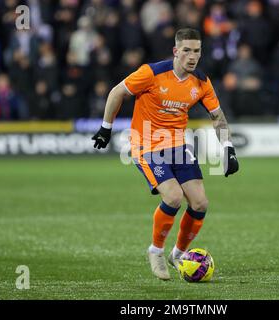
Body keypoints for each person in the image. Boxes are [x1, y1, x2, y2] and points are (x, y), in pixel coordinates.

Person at [91, 28, 239, 280]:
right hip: (146, 144)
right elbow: (117, 92)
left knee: (200, 203)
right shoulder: (151, 73)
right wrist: (106, 128)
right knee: (172, 197)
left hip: (177, 146)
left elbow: (217, 117)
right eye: (187, 51)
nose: (192, 57)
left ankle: (178, 253)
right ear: (175, 51)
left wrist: (228, 148)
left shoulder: (201, 82)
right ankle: (155, 250)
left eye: (197, 51)